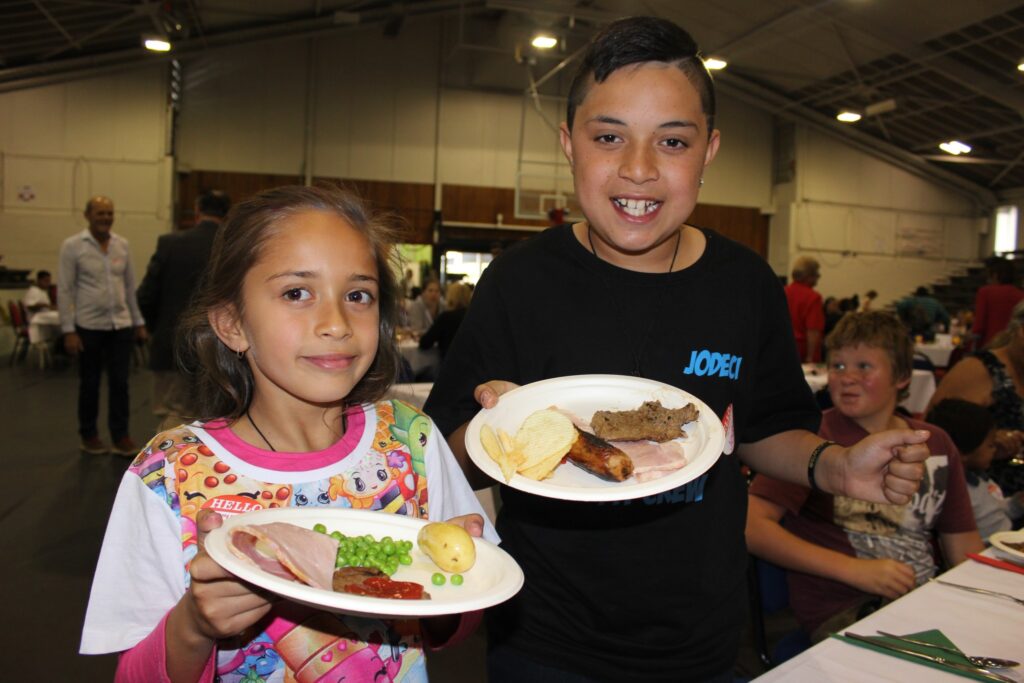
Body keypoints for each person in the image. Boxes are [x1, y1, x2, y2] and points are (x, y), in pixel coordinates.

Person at [423, 17, 930, 682]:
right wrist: (496, 428)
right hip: (545, 634)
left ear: (709, 149)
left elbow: (766, 427)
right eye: (608, 137)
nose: (639, 168)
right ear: (569, 144)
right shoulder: (520, 282)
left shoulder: (745, 283)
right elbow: (445, 456)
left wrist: (837, 468)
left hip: (702, 636)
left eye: (672, 141)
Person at [79, 184, 498, 682]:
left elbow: (452, 628)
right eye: (297, 293)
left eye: (358, 295)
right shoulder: (168, 475)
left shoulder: (411, 443)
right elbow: (133, 675)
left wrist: (459, 587)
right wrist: (195, 624)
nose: (336, 322)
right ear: (232, 323)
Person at [746, 312, 981, 642]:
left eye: (864, 367)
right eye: (838, 366)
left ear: (901, 376)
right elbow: (752, 525)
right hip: (844, 608)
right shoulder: (809, 440)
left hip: (924, 599)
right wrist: (853, 570)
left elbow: (963, 542)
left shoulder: (935, 443)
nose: (846, 378)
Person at [58, 196, 148, 456]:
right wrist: (69, 330)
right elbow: (65, 289)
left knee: (120, 383)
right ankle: (89, 435)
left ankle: (121, 436)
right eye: (100, 213)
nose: (105, 218)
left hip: (120, 325)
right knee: (90, 384)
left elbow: (130, 288)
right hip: (88, 326)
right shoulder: (73, 246)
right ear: (88, 215)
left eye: (109, 213)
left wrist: (138, 322)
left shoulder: (122, 245)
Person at [137, 190, 231, 427]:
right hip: (224, 352)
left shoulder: (170, 243)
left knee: (174, 416)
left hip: (172, 345)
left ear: (197, 211)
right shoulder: (234, 246)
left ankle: (170, 462)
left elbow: (146, 295)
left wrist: (155, 328)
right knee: (219, 419)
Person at [927, 299, 1024, 496]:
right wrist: (987, 441)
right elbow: (935, 435)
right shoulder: (980, 370)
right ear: (1020, 332)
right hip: (981, 496)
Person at [926, 398, 1024, 541]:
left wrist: (1016, 504)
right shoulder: (957, 491)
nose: (995, 450)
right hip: (985, 548)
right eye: (990, 445)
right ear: (962, 453)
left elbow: (995, 510)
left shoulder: (980, 479)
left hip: (1007, 536)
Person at [972, 257, 1024, 349]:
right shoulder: (1021, 295)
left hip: (991, 345)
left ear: (995, 275)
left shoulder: (986, 292)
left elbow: (978, 327)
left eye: (988, 276)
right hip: (1014, 348)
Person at [785, 255, 825, 363]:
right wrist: (810, 357)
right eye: (817, 274)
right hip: (802, 351)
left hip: (782, 348)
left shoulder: (782, 292)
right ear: (809, 276)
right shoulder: (813, 297)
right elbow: (813, 331)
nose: (818, 277)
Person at [418, 281, 472, 360]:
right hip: (473, 365)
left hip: (450, 365)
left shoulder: (446, 317)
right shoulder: (473, 316)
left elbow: (424, 343)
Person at [23, 269, 61, 344]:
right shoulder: (33, 291)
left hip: (45, 319)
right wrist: (45, 305)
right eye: (46, 281)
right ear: (39, 280)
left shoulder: (42, 291)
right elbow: (30, 306)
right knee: (61, 328)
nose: (48, 283)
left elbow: (48, 306)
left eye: (49, 281)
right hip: (36, 321)